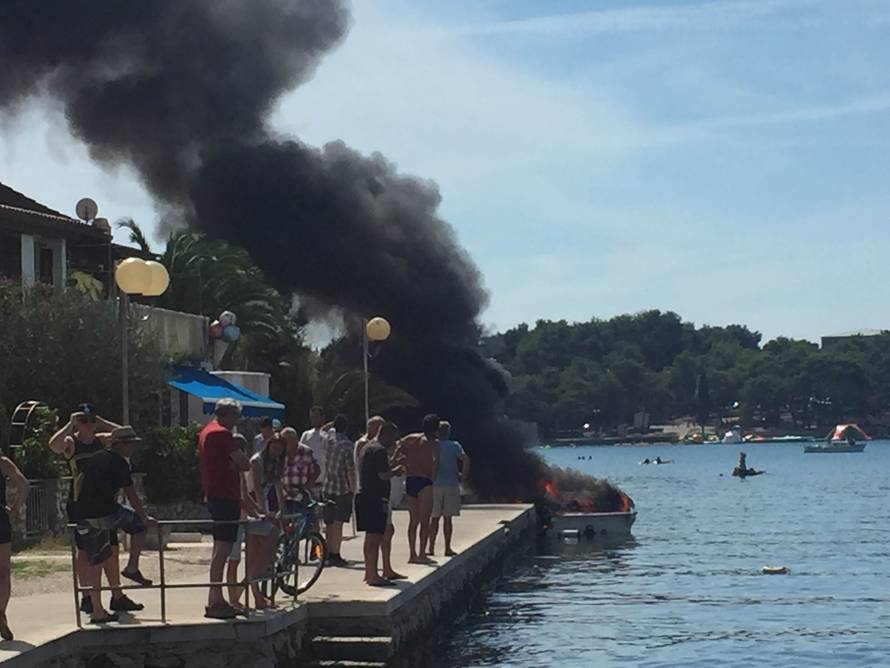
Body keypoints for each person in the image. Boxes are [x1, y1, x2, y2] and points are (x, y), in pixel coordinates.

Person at [47, 404, 142, 615]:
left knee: (112, 549)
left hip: (106, 503)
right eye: (84, 420)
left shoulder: (101, 440)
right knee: (85, 552)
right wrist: (71, 423)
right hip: (81, 503)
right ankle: (87, 596)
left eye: (90, 420)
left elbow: (125, 434)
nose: (88, 424)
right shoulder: (72, 443)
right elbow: (53, 445)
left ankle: (117, 594)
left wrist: (101, 421)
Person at [75, 427, 155, 624]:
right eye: (132, 443)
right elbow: (131, 493)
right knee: (139, 525)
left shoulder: (96, 457)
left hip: (84, 514)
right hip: (105, 513)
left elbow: (82, 482)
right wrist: (144, 516)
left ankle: (97, 609)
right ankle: (132, 567)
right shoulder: (120, 463)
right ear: (122, 444)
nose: (134, 447)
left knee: (96, 561)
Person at [199, 398, 251, 619]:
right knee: (222, 551)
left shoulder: (205, 431)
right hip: (225, 496)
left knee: (218, 550)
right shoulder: (221, 433)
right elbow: (245, 463)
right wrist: (234, 463)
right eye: (235, 416)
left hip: (213, 494)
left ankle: (215, 598)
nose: (236, 421)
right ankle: (216, 600)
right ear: (227, 414)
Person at [355, 421, 405, 587]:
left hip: (364, 496)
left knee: (370, 536)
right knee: (375, 537)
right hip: (375, 498)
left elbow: (377, 469)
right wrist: (396, 471)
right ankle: (373, 576)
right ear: (385, 434)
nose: (394, 441)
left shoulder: (367, 447)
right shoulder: (379, 450)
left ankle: (369, 571)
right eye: (392, 437)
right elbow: (383, 475)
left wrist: (392, 463)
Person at [247, 432, 285, 609]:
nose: (277, 452)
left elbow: (278, 486)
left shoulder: (276, 462)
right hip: (251, 505)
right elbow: (256, 488)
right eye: (275, 448)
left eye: (280, 450)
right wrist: (263, 511)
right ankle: (254, 577)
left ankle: (257, 594)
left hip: (265, 506)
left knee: (259, 549)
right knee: (269, 537)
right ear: (268, 445)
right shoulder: (257, 461)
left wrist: (282, 510)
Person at [398, 414, 440, 565]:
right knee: (424, 520)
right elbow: (436, 463)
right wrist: (433, 477)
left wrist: (404, 462)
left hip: (411, 479)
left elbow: (399, 446)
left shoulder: (411, 438)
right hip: (424, 480)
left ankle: (412, 554)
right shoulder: (434, 443)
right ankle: (421, 553)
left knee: (413, 520)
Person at [428, 421, 470, 557]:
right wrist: (463, 476)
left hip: (434, 484)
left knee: (434, 517)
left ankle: (431, 548)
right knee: (448, 518)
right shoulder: (455, 445)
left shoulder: (432, 445)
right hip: (451, 483)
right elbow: (465, 459)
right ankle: (447, 548)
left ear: (436, 432)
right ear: (449, 432)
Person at [0, 455, 28, 640]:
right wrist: (14, 509)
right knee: (3, 570)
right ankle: (1, 612)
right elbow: (24, 485)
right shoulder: (2, 462)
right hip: (0, 517)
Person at [321, 414, 355, 567]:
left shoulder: (328, 439)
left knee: (328, 522)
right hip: (341, 487)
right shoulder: (347, 445)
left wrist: (331, 424)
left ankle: (327, 552)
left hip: (327, 485)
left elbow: (322, 430)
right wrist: (352, 488)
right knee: (338, 522)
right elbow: (350, 470)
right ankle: (335, 554)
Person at [282, 427, 320, 506]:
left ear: (295, 440)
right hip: (283, 496)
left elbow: (316, 470)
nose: (284, 443)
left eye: (287, 441)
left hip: (301, 495)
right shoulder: (280, 453)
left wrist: (306, 486)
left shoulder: (306, 452)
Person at [300, 406, 330, 494]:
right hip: (309, 484)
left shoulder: (329, 434)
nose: (313, 420)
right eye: (312, 417)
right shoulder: (306, 435)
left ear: (322, 418)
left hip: (325, 483)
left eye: (316, 417)